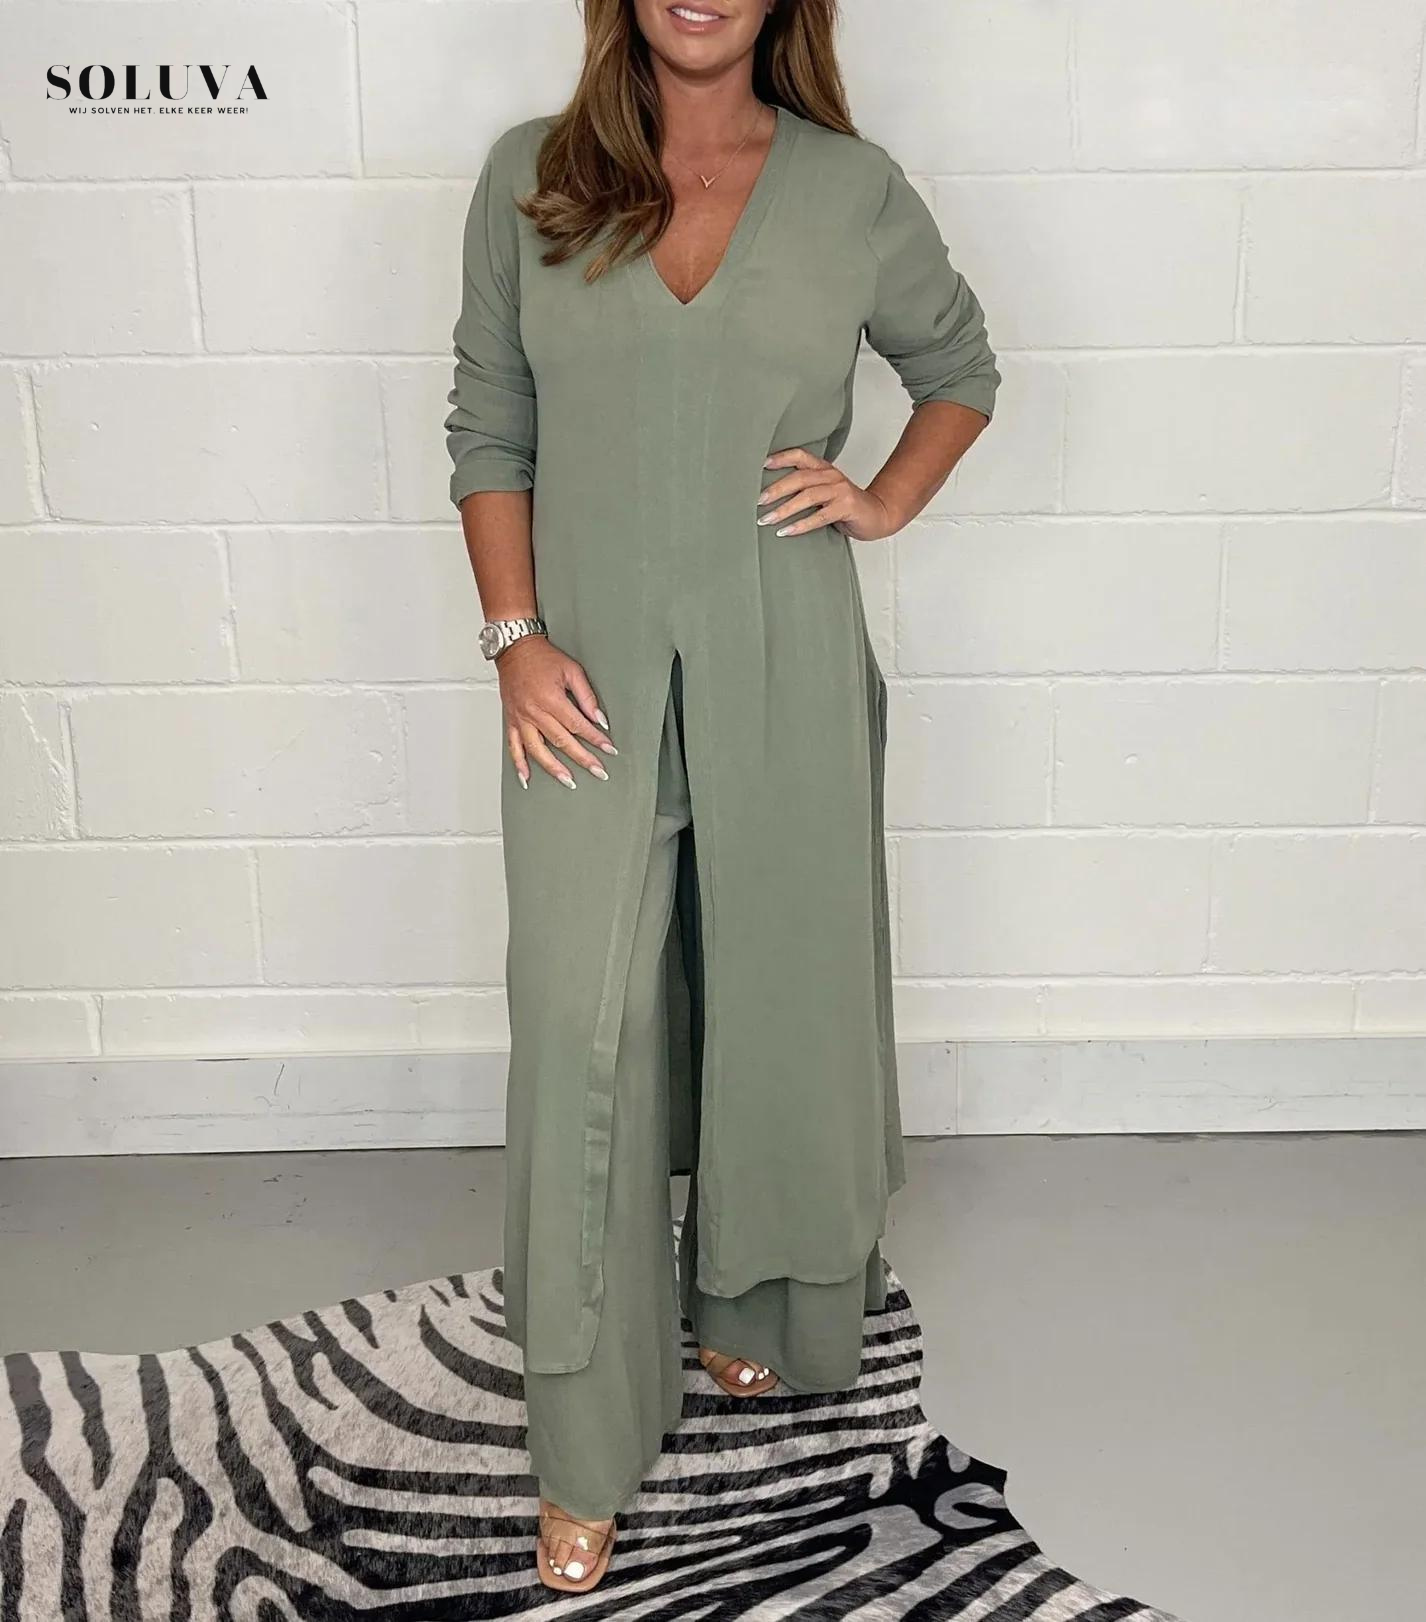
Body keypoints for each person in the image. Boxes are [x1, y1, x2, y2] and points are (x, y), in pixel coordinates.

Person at [444, 0, 998, 1592]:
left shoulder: (850, 188)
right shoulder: (530, 176)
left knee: (777, 988)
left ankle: (755, 1299)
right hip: (585, 674)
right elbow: (489, 422)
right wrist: (514, 639)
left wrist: (878, 498)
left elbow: (959, 367)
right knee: (581, 1018)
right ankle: (584, 1437)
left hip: (786, 653)